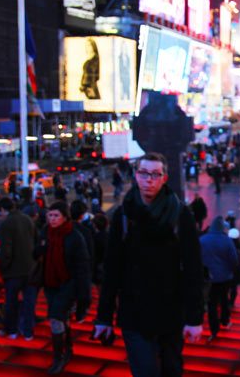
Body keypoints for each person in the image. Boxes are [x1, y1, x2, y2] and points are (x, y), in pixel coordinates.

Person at [94, 153, 203, 377]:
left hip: (171, 312)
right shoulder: (123, 216)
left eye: (155, 174)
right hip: (134, 312)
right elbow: (112, 268)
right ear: (136, 175)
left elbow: (192, 268)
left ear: (164, 178)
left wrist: (194, 318)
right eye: (144, 173)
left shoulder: (181, 215)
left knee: (171, 370)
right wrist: (104, 317)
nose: (149, 180)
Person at [37, 201, 91, 374]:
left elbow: (82, 267)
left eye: (56, 216)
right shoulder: (45, 232)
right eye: (50, 215)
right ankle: (68, 349)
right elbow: (36, 253)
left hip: (68, 284)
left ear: (65, 217)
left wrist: (84, 296)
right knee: (62, 318)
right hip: (50, 283)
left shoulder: (75, 236)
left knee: (55, 318)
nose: (52, 219)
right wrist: (39, 249)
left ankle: (58, 357)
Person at [0, 197, 38, 340]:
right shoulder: (28, 219)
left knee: (11, 302)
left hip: (13, 271)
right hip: (30, 269)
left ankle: (12, 330)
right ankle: (28, 331)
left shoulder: (5, 224)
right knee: (29, 302)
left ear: (3, 209)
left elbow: (6, 250)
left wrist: (3, 267)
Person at [200, 216, 239, 342]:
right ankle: (225, 319)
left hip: (209, 278)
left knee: (211, 304)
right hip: (225, 277)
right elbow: (234, 259)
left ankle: (214, 328)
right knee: (224, 299)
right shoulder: (227, 241)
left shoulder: (203, 240)